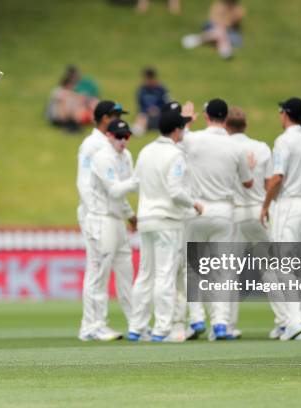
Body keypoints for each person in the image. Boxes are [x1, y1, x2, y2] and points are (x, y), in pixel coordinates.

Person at [128, 106, 202, 342]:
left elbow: (137, 182)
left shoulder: (146, 150)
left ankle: (136, 327)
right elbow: (175, 190)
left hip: (146, 218)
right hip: (167, 220)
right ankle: (161, 328)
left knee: (145, 274)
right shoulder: (176, 154)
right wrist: (194, 204)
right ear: (176, 130)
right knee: (165, 274)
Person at [181, 99, 253, 340]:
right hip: (224, 210)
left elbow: (177, 141)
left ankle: (197, 317)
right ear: (226, 117)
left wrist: (187, 121)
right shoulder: (236, 147)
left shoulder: (194, 138)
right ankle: (221, 323)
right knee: (222, 270)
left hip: (197, 208)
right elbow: (248, 182)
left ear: (206, 116)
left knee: (193, 267)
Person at [260, 97, 301, 341]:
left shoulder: (283, 141)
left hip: (287, 206)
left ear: (286, 114)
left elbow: (277, 178)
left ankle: (294, 322)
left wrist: (266, 205)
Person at [226, 106, 289, 339]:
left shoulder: (224, 147)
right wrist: (266, 207)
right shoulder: (261, 147)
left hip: (233, 214)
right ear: (246, 125)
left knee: (229, 271)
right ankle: (285, 322)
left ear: (225, 125)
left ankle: (227, 325)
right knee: (270, 269)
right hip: (257, 212)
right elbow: (268, 183)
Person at [77, 103, 136, 341]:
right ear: (103, 119)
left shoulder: (120, 151)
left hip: (114, 216)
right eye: (115, 116)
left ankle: (136, 323)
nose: (117, 121)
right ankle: (92, 326)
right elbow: (83, 183)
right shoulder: (92, 145)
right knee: (98, 270)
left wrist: (128, 214)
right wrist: (96, 215)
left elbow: (121, 188)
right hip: (98, 216)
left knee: (124, 268)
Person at [181, 0, 245, 59]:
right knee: (220, 32)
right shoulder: (218, 5)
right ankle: (225, 50)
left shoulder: (238, 9)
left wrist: (224, 24)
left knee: (220, 32)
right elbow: (213, 18)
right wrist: (222, 23)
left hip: (228, 30)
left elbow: (234, 21)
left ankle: (198, 39)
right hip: (214, 26)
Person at [132, 67, 169, 136]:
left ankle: (138, 130)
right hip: (146, 116)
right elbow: (140, 106)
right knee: (142, 116)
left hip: (160, 116)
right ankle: (137, 131)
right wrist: (147, 111)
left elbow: (167, 104)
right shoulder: (142, 90)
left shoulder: (162, 89)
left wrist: (158, 110)